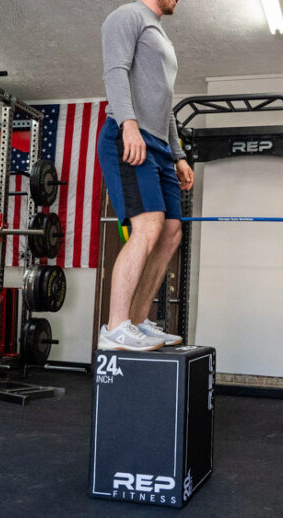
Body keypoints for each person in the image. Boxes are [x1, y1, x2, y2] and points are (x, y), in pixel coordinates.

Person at [97, 0, 195, 351]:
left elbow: (164, 103)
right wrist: (129, 125)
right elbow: (115, 72)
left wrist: (178, 155)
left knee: (170, 231)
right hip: (127, 137)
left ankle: (136, 321)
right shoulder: (127, 16)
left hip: (158, 145)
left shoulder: (160, 35)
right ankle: (115, 326)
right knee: (149, 226)